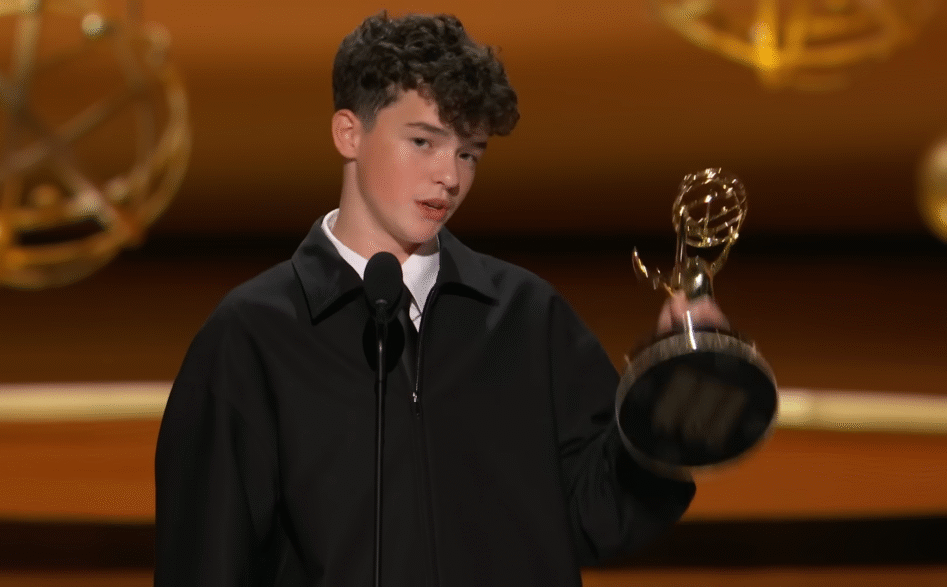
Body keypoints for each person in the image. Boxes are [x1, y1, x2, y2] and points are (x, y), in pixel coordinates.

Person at [155, 12, 708, 586]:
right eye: (423, 142)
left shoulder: (526, 317)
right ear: (349, 133)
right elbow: (204, 564)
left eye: (469, 153)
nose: (450, 177)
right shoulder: (253, 337)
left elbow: (603, 516)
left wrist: (670, 394)